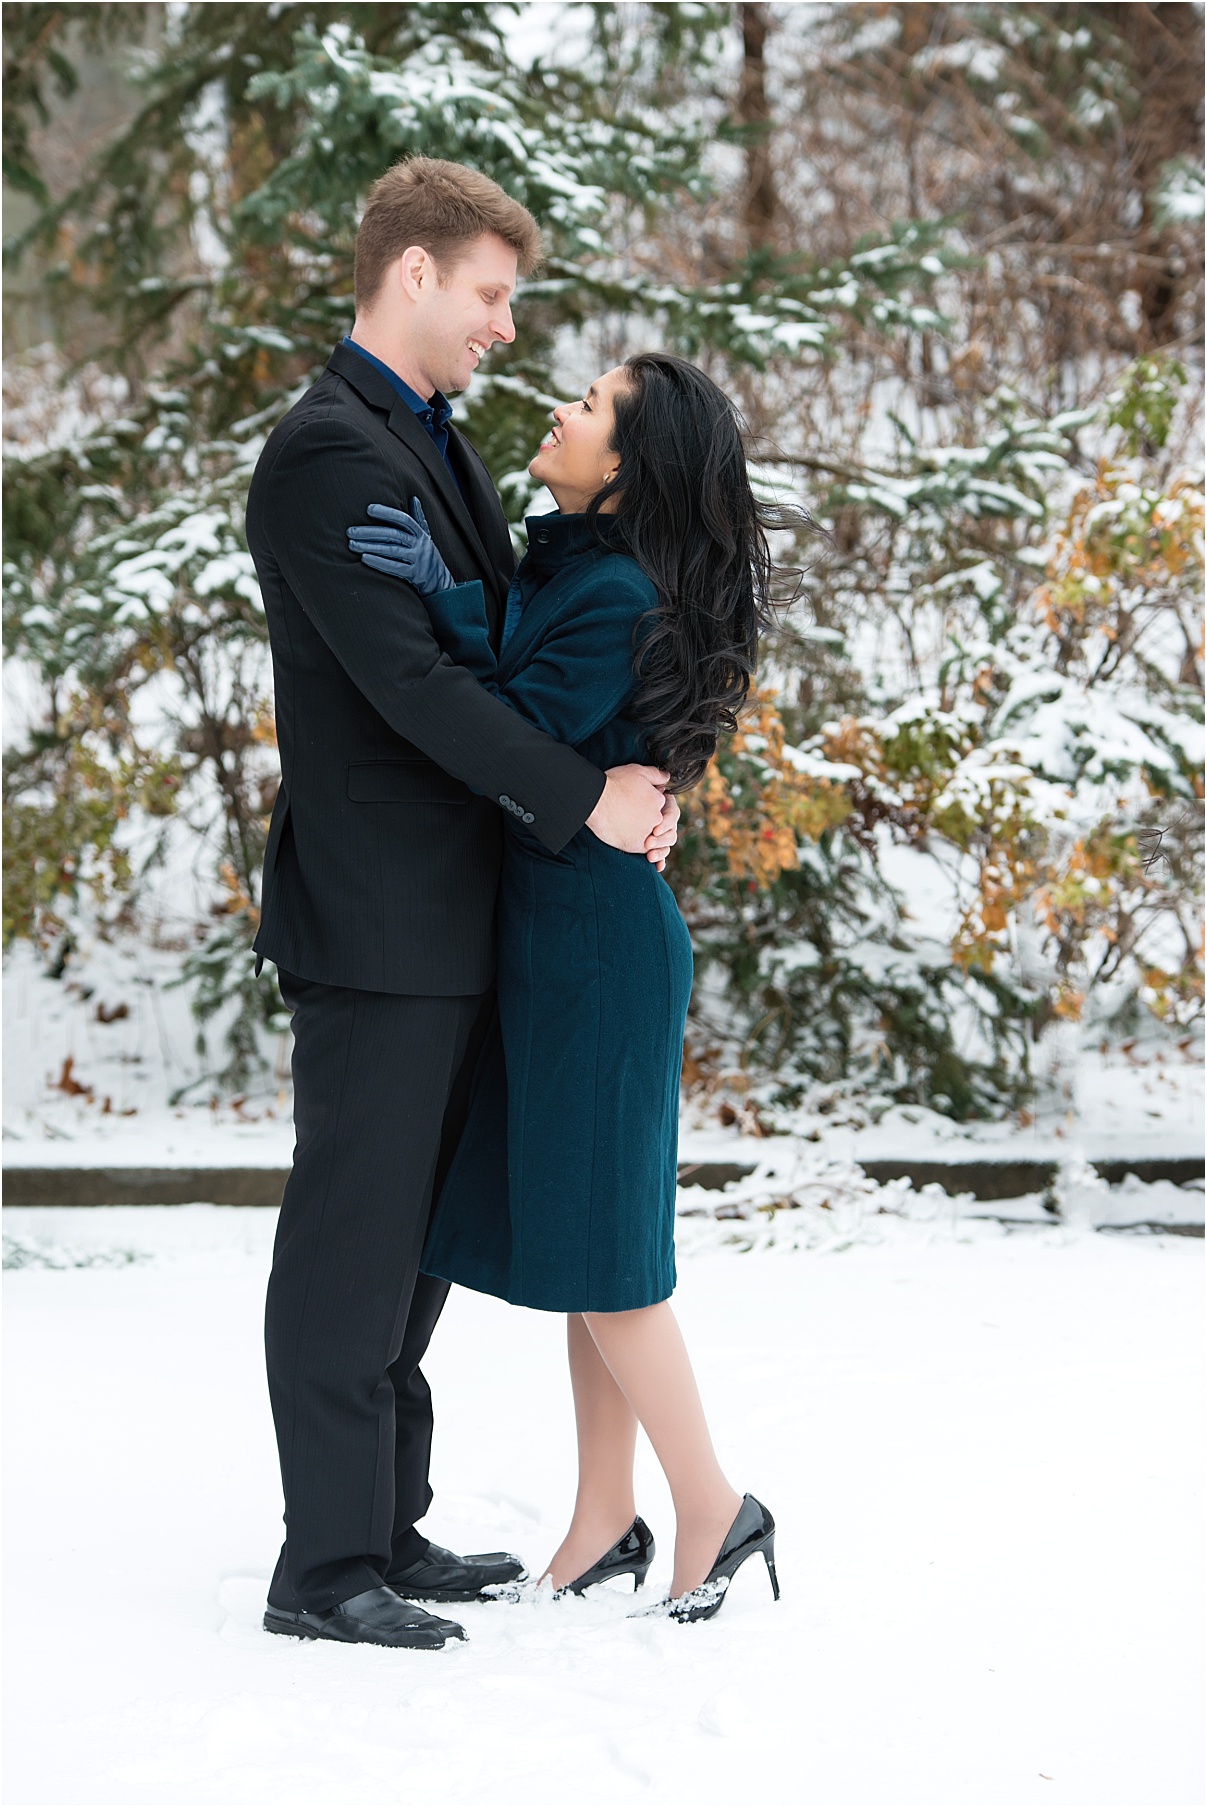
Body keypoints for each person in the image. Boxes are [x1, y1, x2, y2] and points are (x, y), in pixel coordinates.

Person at [246, 158, 679, 1651]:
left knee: (413, 1247)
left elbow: (504, 651)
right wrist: (581, 800)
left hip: (458, 912)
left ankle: (384, 1522)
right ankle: (320, 1567)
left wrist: (628, 765)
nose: (505, 326)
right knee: (350, 1241)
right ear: (414, 274)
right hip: (379, 921)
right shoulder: (328, 455)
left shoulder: (424, 441)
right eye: (491, 294)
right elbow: (416, 682)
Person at [347, 352, 793, 1622]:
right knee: (585, 1245)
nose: (560, 406)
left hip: (594, 951)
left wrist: (429, 602)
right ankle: (605, 1518)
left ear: (627, 467)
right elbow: (528, 678)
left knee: (612, 1265)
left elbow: (510, 728)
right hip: (569, 941)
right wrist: (456, 591)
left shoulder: (610, 591)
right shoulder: (581, 569)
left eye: (591, 406)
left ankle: (715, 1504)